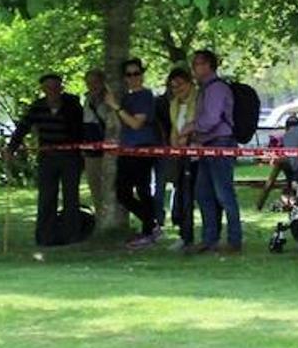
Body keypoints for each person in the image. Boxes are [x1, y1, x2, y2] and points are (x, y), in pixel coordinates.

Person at [8, 74, 86, 246]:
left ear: (61, 88)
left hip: (70, 158)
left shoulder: (72, 106)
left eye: (55, 87)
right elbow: (23, 127)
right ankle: (45, 237)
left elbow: (82, 129)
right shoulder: (37, 107)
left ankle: (71, 236)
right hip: (47, 158)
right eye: (48, 88)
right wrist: (11, 148)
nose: (52, 91)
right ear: (43, 90)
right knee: (46, 197)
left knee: (71, 198)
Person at [182, 49, 242, 253]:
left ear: (208, 65)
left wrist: (192, 126)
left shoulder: (216, 89)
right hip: (207, 145)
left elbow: (211, 119)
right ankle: (210, 238)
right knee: (203, 193)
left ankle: (234, 240)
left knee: (224, 194)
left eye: (197, 64)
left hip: (221, 144)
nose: (194, 68)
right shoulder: (204, 89)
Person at [111, 58, 162, 249]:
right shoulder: (127, 98)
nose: (133, 78)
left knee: (142, 189)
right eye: (129, 74)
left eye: (136, 73)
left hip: (143, 148)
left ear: (142, 74)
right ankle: (152, 223)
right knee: (122, 192)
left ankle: (150, 229)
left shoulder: (145, 96)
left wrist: (116, 107)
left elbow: (136, 123)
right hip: (127, 148)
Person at [164, 66, 205, 251]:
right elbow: (175, 128)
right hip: (181, 155)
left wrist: (188, 138)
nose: (177, 89)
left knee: (200, 196)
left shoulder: (199, 100)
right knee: (182, 195)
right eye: (173, 86)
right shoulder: (174, 105)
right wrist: (175, 143)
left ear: (190, 83)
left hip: (198, 155)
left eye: (180, 85)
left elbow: (199, 124)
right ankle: (184, 235)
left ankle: (208, 236)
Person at [81, 68, 119, 229]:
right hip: (91, 152)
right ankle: (100, 219)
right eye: (89, 83)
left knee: (111, 186)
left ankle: (115, 219)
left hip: (108, 150)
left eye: (95, 82)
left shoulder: (109, 100)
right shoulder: (87, 100)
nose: (92, 86)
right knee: (94, 186)